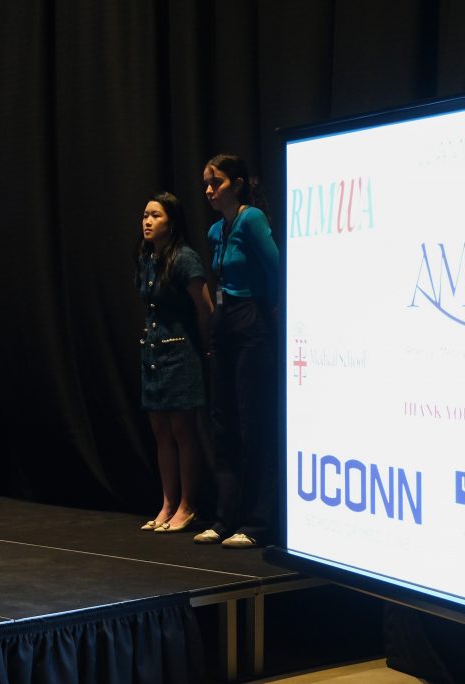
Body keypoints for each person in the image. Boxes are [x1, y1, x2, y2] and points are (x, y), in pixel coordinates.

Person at [193, 154, 279, 549]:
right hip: (225, 324)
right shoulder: (216, 231)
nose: (209, 190)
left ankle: (257, 522)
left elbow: (277, 270)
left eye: (218, 182)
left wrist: (273, 318)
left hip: (252, 320)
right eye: (207, 183)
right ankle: (224, 518)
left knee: (252, 421)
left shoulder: (251, 219)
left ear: (239, 183)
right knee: (222, 421)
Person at [134, 192, 213, 534]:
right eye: (145, 216)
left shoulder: (185, 258)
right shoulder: (147, 258)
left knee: (183, 431)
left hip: (181, 354)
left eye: (156, 216)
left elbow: (205, 309)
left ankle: (187, 505)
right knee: (161, 432)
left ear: (172, 222)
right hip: (152, 354)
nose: (148, 222)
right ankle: (167, 503)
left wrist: (207, 346)